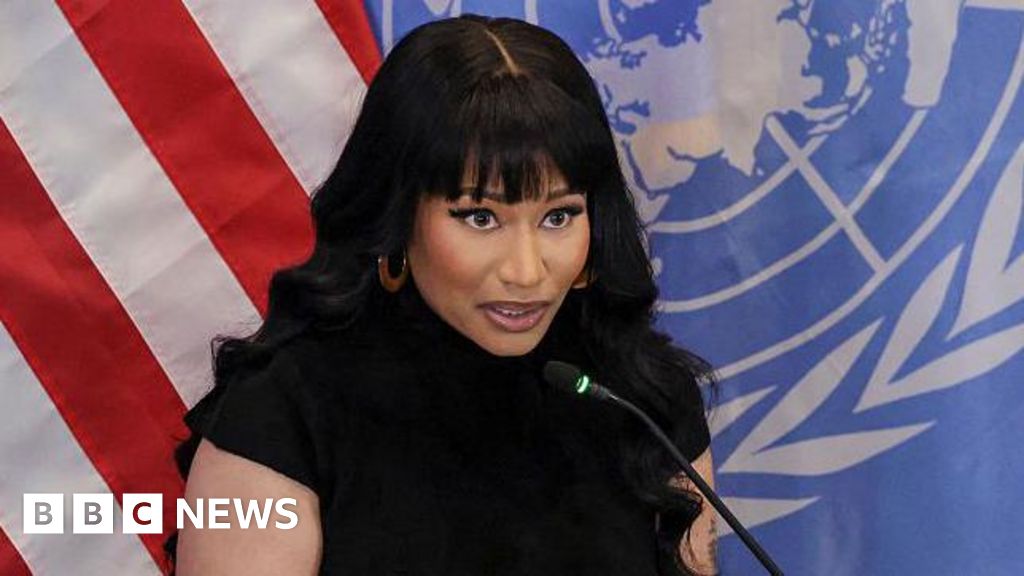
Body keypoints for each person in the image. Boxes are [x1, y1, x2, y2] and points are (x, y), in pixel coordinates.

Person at [169, 13, 717, 576]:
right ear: (398, 210)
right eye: (480, 217)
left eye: (558, 216)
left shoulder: (643, 396)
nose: (527, 271)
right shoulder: (281, 413)